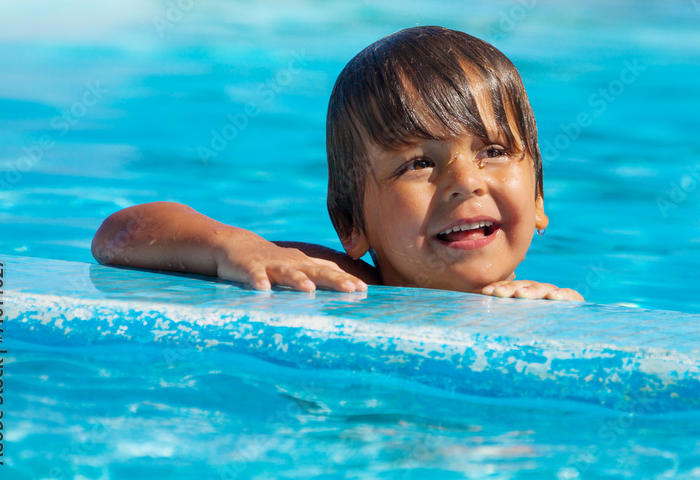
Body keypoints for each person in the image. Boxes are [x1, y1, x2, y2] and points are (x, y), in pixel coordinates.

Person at [91, 26, 584, 301]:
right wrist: (234, 248)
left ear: (539, 196)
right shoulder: (331, 282)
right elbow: (118, 235)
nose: (466, 183)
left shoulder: (539, 305)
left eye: (493, 152)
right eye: (417, 163)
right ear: (351, 223)